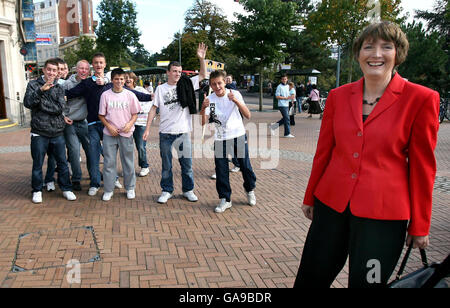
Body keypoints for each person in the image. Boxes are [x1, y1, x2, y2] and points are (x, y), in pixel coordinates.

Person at [294, 21, 440, 288]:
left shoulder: (420, 98)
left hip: (382, 218)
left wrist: (420, 224)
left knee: (367, 284)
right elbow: (324, 152)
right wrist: (310, 196)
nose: (376, 54)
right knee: (309, 279)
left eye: (386, 47)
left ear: (398, 54)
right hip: (331, 207)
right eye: (368, 46)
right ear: (358, 53)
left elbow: (423, 167)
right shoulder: (338, 96)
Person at [66, 53, 152, 196]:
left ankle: (115, 180)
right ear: (92, 65)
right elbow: (70, 93)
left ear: (105, 64)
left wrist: (150, 96)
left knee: (111, 157)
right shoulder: (87, 83)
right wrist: (53, 89)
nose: (98, 65)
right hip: (94, 124)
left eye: (101, 62)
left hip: (113, 126)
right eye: (96, 63)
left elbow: (131, 93)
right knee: (94, 155)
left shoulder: (111, 83)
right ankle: (95, 183)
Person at [143, 43, 208, 204]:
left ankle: (188, 190)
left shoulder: (186, 83)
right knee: (166, 166)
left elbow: (202, 75)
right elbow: (153, 109)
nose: (177, 74)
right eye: (174, 71)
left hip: (183, 131)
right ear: (168, 73)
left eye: (179, 71)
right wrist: (147, 129)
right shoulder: (161, 89)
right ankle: (167, 190)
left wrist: (202, 59)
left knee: (187, 165)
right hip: (165, 133)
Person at [200, 70, 257, 213]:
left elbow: (248, 115)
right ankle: (225, 199)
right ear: (211, 86)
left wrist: (236, 101)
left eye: (219, 83)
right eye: (214, 84)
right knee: (221, 169)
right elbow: (203, 122)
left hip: (238, 135)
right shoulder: (210, 100)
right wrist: (203, 108)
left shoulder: (234, 94)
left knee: (245, 166)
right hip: (220, 138)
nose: (217, 86)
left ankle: (249, 189)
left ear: (225, 82)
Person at [23, 58, 77, 203]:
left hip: (57, 131)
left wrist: (41, 104)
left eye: (54, 70)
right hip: (39, 132)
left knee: (62, 163)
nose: (52, 73)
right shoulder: (34, 85)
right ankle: (37, 190)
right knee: (38, 164)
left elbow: (61, 108)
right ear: (44, 70)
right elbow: (28, 103)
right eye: (49, 70)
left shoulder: (59, 87)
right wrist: (41, 91)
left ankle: (66, 188)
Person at [98, 68, 141, 201]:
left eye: (121, 79)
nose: (119, 81)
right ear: (112, 80)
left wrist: (129, 124)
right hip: (109, 134)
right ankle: (108, 189)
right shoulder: (105, 95)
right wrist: (109, 126)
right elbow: (101, 115)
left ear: (125, 80)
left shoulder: (130, 95)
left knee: (128, 162)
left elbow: (135, 113)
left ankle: (130, 188)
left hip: (126, 133)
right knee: (109, 162)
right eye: (116, 79)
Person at [59, 60, 93, 191]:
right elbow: (59, 101)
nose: (83, 71)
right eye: (81, 68)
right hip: (71, 122)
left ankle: (93, 174)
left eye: (86, 69)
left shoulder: (91, 83)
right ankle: (76, 179)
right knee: (74, 152)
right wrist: (63, 116)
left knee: (91, 150)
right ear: (76, 69)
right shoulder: (67, 84)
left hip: (86, 122)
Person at [125, 72, 152, 177]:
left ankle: (144, 166)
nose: (128, 80)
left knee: (141, 146)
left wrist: (136, 111)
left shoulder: (141, 90)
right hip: (127, 124)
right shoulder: (123, 91)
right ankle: (128, 167)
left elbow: (148, 104)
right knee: (127, 147)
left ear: (134, 79)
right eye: (126, 78)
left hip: (140, 123)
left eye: (130, 78)